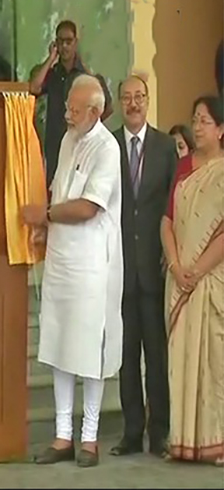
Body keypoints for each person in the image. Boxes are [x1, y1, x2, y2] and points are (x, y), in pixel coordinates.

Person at [22, 74, 123, 468]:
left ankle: (89, 438)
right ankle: (62, 436)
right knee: (61, 347)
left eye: (74, 110)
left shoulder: (107, 148)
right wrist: (44, 229)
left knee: (87, 350)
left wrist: (44, 215)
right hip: (62, 260)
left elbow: (88, 207)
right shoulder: (67, 140)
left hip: (91, 265)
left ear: (95, 112)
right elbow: (60, 193)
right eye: (67, 107)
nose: (66, 114)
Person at [110, 75, 178, 459]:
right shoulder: (109, 145)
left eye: (140, 96)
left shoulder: (166, 146)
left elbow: (172, 208)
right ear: (120, 103)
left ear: (148, 101)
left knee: (157, 356)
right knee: (126, 358)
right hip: (120, 270)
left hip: (153, 268)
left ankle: (160, 432)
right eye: (127, 98)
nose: (134, 103)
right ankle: (131, 433)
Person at [161, 95, 224, 466]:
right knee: (181, 360)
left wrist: (197, 270)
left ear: (220, 129)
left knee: (215, 360)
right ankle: (184, 441)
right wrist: (174, 265)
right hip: (180, 276)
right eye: (194, 119)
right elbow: (167, 220)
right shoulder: (184, 166)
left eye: (204, 121)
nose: (197, 127)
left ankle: (217, 442)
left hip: (210, 280)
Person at [29, 20, 113, 189]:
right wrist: (51, 58)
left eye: (68, 41)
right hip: (56, 145)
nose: (64, 46)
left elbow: (107, 108)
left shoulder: (86, 75)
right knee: (55, 191)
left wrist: (89, 126)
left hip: (81, 144)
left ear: (76, 42)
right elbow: (34, 87)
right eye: (60, 42)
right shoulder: (52, 74)